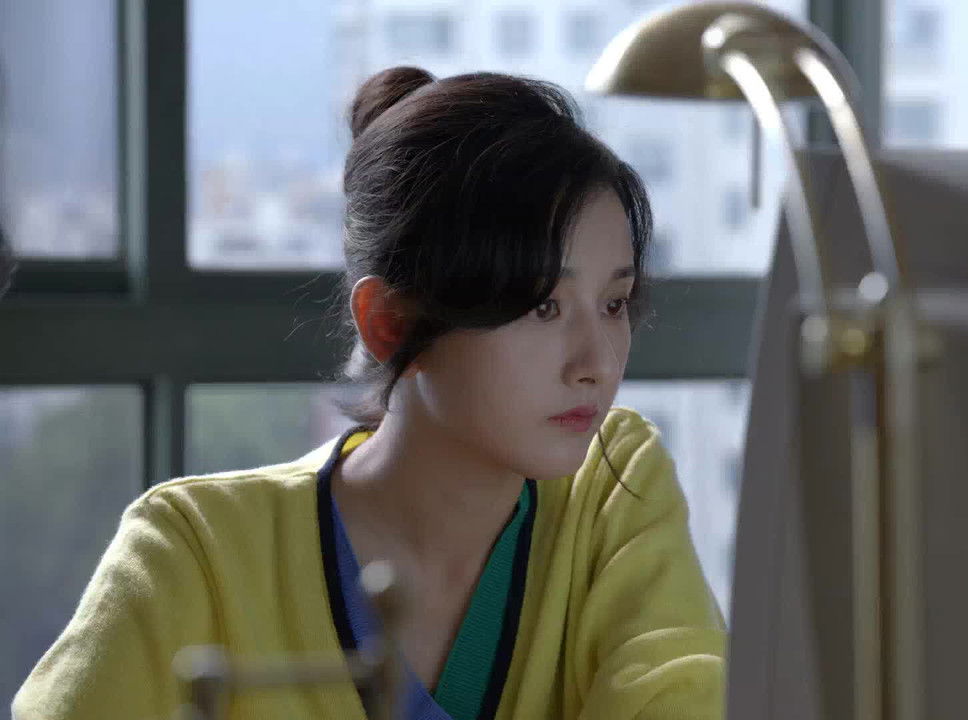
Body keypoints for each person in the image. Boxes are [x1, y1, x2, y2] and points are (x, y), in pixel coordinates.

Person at [13, 66, 725, 720]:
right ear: (390, 323)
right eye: (543, 306)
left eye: (614, 304)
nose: (597, 363)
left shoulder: (612, 487)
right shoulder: (194, 552)